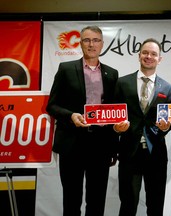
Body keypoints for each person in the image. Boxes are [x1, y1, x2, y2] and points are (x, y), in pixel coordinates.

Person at [46, 25, 119, 216]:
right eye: (87, 40)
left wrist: (113, 147)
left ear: (102, 44)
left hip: (100, 145)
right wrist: (71, 116)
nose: (91, 44)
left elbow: (114, 112)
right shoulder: (66, 69)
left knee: (96, 201)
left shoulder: (112, 74)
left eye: (96, 40)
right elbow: (52, 106)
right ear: (80, 43)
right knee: (71, 199)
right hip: (72, 143)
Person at [113, 38, 171, 216]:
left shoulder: (168, 88)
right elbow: (113, 117)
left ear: (159, 59)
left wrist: (165, 128)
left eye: (154, 54)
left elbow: (168, 122)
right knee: (128, 205)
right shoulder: (122, 83)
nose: (149, 56)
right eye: (145, 53)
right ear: (139, 55)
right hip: (128, 152)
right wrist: (116, 129)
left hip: (156, 154)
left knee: (155, 206)